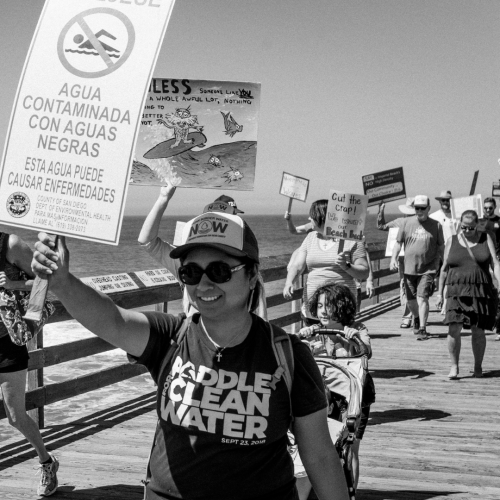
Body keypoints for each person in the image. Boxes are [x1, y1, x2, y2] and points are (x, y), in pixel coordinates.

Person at [32, 210, 350, 500]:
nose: (204, 283)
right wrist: (62, 281)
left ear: (253, 274)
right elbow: (112, 320)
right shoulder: (170, 337)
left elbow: (320, 456)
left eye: (220, 270)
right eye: (191, 273)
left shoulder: (289, 355)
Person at [296, 283, 375, 493]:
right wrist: (304, 337)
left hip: (355, 394)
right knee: (324, 443)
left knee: (351, 446)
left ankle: (351, 491)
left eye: (328, 305)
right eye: (319, 305)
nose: (322, 310)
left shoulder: (358, 329)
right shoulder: (316, 333)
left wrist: (350, 337)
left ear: (341, 307)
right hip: (326, 394)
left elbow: (366, 350)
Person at [0, 232, 59, 497]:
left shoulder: (9, 244)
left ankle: (47, 462)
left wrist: (14, 284)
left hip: (7, 343)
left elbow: (47, 281)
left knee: (15, 417)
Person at [436, 210, 500, 379]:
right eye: (463, 227)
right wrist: (439, 294)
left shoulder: (485, 239)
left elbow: (495, 263)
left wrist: (499, 282)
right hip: (455, 291)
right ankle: (454, 366)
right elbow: (443, 270)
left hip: (479, 291)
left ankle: (478, 366)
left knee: (478, 330)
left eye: (470, 228)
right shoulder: (452, 240)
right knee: (453, 328)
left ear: (477, 225)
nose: (466, 231)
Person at [283, 200, 369, 324]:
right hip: (313, 309)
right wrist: (289, 282)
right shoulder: (310, 238)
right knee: (313, 343)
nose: (309, 218)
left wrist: (347, 266)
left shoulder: (351, 239)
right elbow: (297, 265)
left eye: (312, 215)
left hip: (340, 310)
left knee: (338, 343)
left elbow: (364, 272)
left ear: (322, 217)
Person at [390, 195, 445, 341]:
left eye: (422, 208)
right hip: (409, 269)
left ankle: (422, 328)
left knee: (422, 298)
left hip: (428, 269)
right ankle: (416, 317)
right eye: (416, 208)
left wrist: (445, 263)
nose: (419, 211)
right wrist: (393, 258)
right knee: (411, 301)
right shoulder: (406, 223)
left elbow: (441, 247)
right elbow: (397, 243)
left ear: (428, 208)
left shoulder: (436, 225)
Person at [377, 198, 415, 328]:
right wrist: (381, 211)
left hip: (416, 260)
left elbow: (381, 226)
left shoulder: (402, 222)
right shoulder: (400, 222)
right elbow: (381, 226)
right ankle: (408, 316)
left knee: (409, 287)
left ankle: (413, 315)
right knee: (405, 286)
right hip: (405, 260)